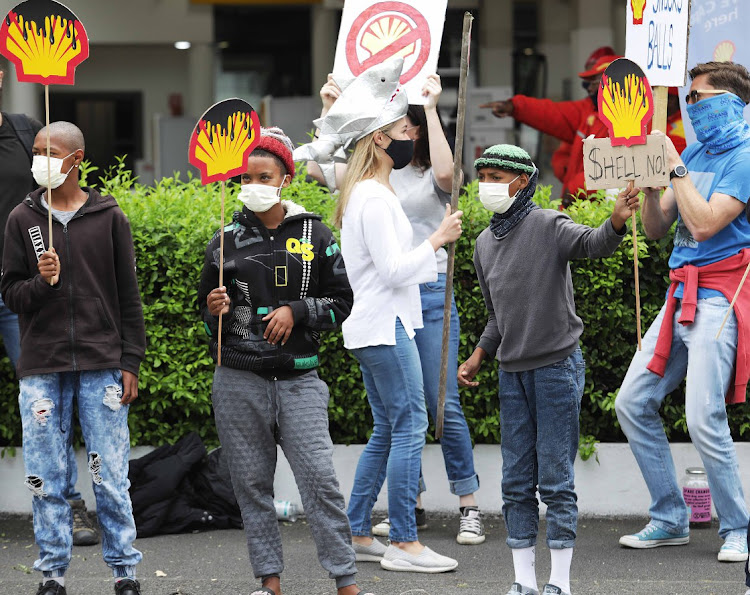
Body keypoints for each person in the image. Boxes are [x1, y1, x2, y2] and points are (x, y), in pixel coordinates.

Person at [298, 58, 463, 573]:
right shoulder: (373, 195)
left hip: (382, 324)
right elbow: (393, 270)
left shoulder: (370, 192)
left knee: (389, 428)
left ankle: (357, 528)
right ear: (378, 141)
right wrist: (436, 239)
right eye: (397, 131)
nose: (405, 137)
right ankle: (405, 542)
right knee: (409, 422)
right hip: (384, 324)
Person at [458, 144, 639, 595]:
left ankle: (560, 582)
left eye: (498, 176)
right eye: (483, 176)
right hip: (510, 373)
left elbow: (592, 244)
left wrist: (616, 219)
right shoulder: (483, 244)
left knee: (556, 478)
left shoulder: (547, 224)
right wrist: (479, 354)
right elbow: (497, 315)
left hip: (557, 368)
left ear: (522, 181)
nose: (488, 186)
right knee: (516, 479)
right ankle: (523, 582)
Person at [198, 127, 372, 595]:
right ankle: (269, 582)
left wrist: (297, 311)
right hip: (237, 379)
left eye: (264, 175)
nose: (253, 183)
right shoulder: (224, 241)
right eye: (247, 176)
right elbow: (207, 322)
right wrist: (214, 309)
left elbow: (342, 301)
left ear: (285, 180)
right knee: (251, 488)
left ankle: (345, 581)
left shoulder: (316, 233)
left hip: (299, 380)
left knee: (320, 481)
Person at [0, 121, 145, 595]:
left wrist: (131, 361)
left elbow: (128, 296)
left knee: (108, 474)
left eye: (51, 151)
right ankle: (52, 572)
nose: (40, 158)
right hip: (42, 365)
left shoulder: (109, 217)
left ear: (76, 159)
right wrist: (43, 284)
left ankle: (125, 571)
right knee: (47, 475)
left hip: (101, 363)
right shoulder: (23, 220)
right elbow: (11, 294)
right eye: (36, 150)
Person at [615, 61, 750, 564]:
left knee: (703, 416)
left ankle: (738, 527)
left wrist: (672, 167)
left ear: (730, 102)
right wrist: (650, 189)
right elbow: (657, 228)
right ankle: (670, 518)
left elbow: (708, 223)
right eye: (687, 98)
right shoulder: (693, 151)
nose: (690, 107)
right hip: (680, 293)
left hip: (720, 293)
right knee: (631, 403)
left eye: (698, 97)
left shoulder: (745, 155)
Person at [480, 55, 687, 206]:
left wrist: (576, 187)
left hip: (606, 214)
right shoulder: (587, 111)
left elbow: (624, 168)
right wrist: (515, 107)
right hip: (579, 209)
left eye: (595, 83)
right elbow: (551, 113)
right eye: (586, 83)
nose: (588, 88)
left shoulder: (646, 123)